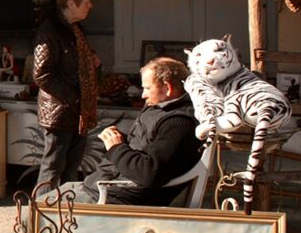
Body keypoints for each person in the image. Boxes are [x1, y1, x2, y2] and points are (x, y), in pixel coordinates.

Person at [51, 57, 201, 205]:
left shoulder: (178, 123)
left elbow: (149, 173)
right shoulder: (159, 108)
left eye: (147, 88)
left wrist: (116, 147)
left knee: (35, 210)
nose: (143, 95)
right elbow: (143, 148)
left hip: (115, 196)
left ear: (167, 88)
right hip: (101, 185)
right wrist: (119, 140)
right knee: (41, 201)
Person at [32, 0, 98, 191]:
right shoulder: (50, 31)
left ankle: (67, 213)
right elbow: (42, 74)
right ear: (71, 3)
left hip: (79, 110)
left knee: (71, 168)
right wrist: (74, 98)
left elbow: (77, 62)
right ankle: (42, 214)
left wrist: (93, 61)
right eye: (86, 1)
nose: (90, 5)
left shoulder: (75, 29)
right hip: (60, 111)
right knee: (53, 167)